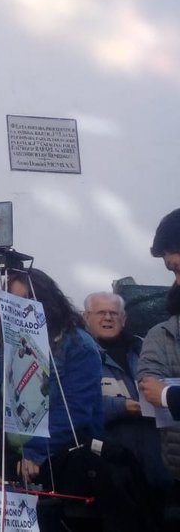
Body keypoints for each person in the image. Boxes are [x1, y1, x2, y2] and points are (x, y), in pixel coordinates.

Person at [0, 268, 103, 485]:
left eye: (28, 300)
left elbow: (75, 411)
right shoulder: (5, 342)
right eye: (12, 302)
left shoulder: (77, 345)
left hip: (57, 460)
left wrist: (35, 451)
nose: (20, 309)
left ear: (48, 302)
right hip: (12, 459)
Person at [83, 291, 170, 491]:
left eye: (114, 313)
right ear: (85, 317)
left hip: (157, 465)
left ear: (124, 319)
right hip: (109, 469)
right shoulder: (77, 355)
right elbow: (76, 404)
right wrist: (122, 407)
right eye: (101, 313)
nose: (108, 318)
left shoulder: (145, 349)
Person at [138, 207, 180, 482]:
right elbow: (146, 383)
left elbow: (158, 392)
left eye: (177, 268)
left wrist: (166, 395)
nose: (177, 281)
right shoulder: (160, 334)